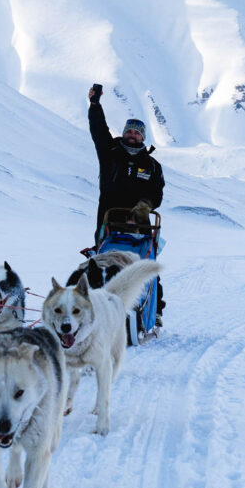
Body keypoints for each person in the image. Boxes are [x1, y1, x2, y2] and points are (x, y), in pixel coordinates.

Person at [87, 83, 165, 326]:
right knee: (103, 264)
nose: (132, 136)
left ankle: (154, 310)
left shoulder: (151, 166)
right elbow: (98, 130)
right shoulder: (110, 152)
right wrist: (95, 104)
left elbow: (157, 194)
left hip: (139, 226)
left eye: (137, 133)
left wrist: (144, 206)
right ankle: (96, 307)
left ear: (143, 137)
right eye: (129, 132)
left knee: (143, 266)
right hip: (109, 221)